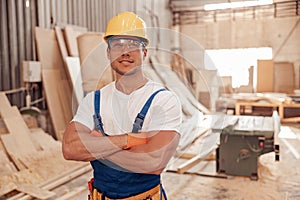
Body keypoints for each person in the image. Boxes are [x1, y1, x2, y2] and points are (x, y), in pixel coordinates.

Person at [62, 11, 182, 200]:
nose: (125, 51)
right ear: (108, 52)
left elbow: (154, 162)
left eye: (133, 44)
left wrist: (97, 143)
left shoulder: (163, 100)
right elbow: (69, 149)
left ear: (144, 52)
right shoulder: (93, 100)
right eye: (117, 44)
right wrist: (127, 140)